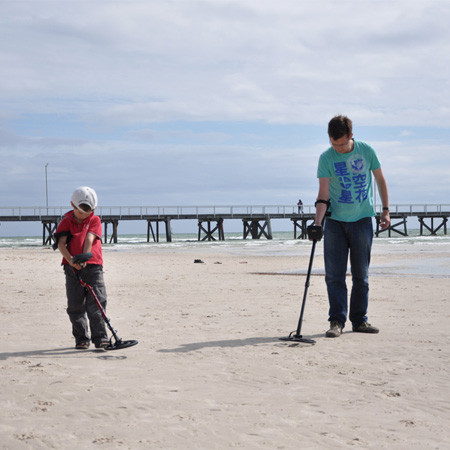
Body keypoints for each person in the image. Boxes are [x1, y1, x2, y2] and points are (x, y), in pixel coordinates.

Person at [307, 115, 390, 338]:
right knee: (334, 275)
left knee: (361, 275)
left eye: (342, 144)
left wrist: (385, 209)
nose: (338, 148)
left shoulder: (366, 151)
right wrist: (317, 223)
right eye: (334, 144)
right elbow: (323, 193)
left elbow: (381, 180)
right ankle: (336, 321)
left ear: (351, 136)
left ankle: (359, 320)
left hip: (362, 219)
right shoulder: (326, 158)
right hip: (334, 222)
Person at [53, 186, 109, 350]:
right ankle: (82, 339)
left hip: (93, 266)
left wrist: (84, 258)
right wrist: (71, 261)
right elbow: (61, 244)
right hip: (71, 269)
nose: (84, 215)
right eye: (80, 212)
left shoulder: (94, 220)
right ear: (72, 205)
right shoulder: (65, 221)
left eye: (88, 212)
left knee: (97, 303)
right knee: (75, 305)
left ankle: (100, 338)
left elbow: (89, 240)